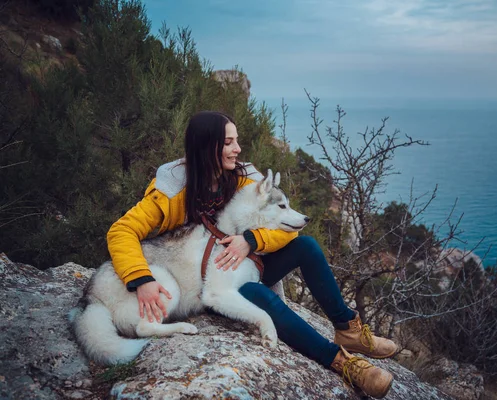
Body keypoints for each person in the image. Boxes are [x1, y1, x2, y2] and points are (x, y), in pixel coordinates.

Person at [107, 111, 398, 398]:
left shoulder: (244, 176)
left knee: (307, 246)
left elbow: (288, 228)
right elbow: (121, 231)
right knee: (260, 296)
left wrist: (251, 239)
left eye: (237, 141)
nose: (238, 149)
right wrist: (141, 279)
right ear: (208, 147)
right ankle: (343, 363)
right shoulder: (172, 188)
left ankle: (348, 328)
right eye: (229, 142)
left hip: (242, 261)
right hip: (204, 280)